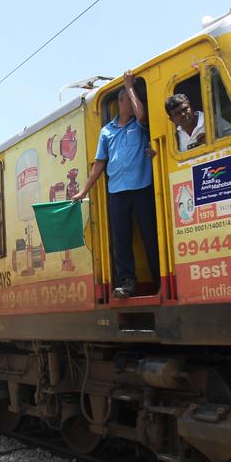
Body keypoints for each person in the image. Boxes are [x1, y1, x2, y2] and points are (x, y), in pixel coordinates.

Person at [72, 70, 158, 298]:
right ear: (121, 103)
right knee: (121, 239)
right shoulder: (107, 131)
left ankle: (159, 278)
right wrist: (83, 191)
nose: (134, 103)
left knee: (150, 235)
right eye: (130, 99)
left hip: (142, 187)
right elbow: (99, 164)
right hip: (117, 192)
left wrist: (130, 87)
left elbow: (142, 116)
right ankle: (127, 282)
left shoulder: (138, 125)